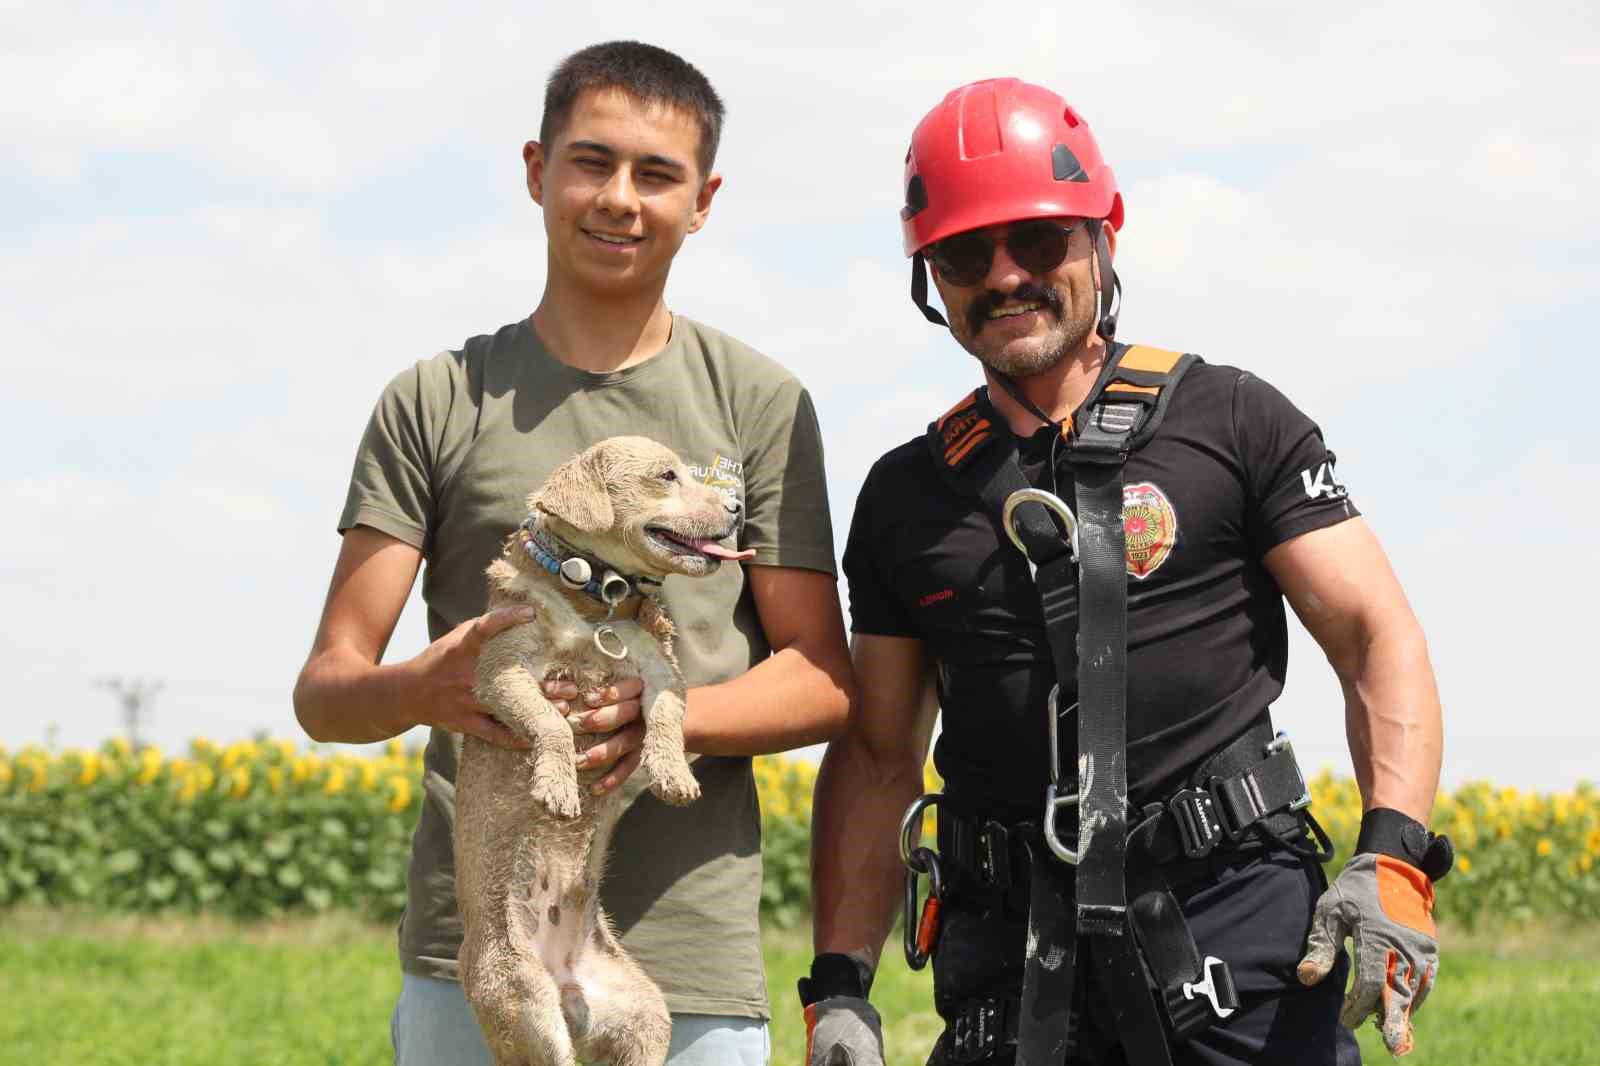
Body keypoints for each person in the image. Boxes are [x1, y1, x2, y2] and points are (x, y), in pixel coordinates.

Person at [803, 78, 1448, 1066]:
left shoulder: (1233, 419)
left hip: (1235, 939)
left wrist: (1394, 855)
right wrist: (841, 986)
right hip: (1009, 968)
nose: (1005, 273)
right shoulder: (905, 493)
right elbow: (882, 752)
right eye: (967, 253)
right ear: (929, 273)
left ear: (1105, 229)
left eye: (1037, 239)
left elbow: (1374, 635)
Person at [293, 41, 852, 1066]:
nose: (620, 199)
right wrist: (421, 686)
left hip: (690, 968)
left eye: (657, 174)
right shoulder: (437, 399)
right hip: (478, 964)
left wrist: (661, 720)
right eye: (591, 161)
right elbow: (327, 690)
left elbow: (820, 677)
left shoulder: (762, 403)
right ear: (536, 170)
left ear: (705, 198)